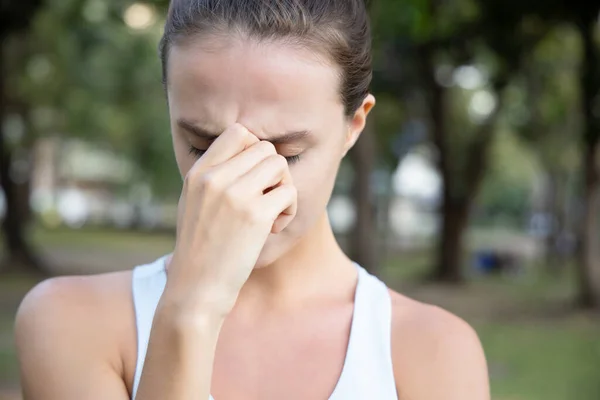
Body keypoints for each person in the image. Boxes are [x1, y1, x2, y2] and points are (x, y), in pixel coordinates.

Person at [15, 1, 490, 399]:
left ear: (353, 126)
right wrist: (190, 308)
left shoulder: (433, 353)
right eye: (203, 146)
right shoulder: (70, 322)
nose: (241, 192)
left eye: (287, 153)